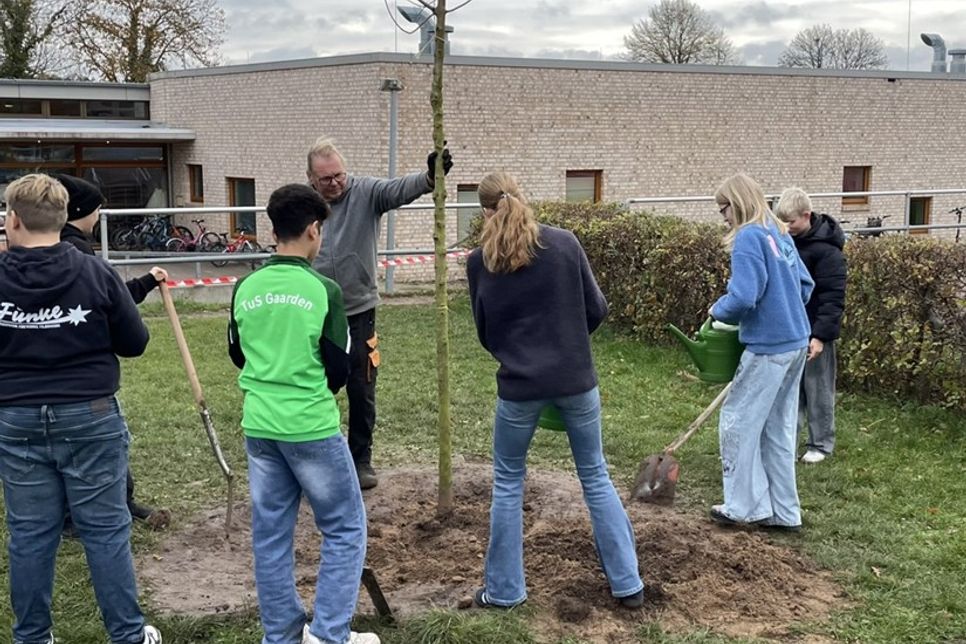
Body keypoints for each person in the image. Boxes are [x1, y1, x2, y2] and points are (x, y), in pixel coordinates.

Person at [465, 171, 645, 610]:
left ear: (485, 211)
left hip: (519, 388)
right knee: (596, 476)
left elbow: (485, 332)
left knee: (508, 482)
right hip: (576, 382)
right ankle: (628, 585)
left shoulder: (479, 261)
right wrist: (567, 344)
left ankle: (504, 592)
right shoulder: (565, 243)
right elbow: (596, 309)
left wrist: (520, 353)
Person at [0, 174, 162, 644]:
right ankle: (127, 635)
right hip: (89, 416)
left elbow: (135, 344)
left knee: (30, 535)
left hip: (16, 419)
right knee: (106, 531)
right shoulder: (96, 271)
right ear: (64, 217)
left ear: (13, 219)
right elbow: (134, 341)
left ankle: (32, 637)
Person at [228, 184, 378, 644]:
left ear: (273, 230)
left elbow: (237, 354)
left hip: (260, 426)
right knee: (346, 528)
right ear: (314, 230)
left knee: (271, 535)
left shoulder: (244, 285)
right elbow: (340, 365)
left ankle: (281, 634)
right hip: (310, 426)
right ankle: (329, 634)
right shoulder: (324, 290)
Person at [306, 136, 452, 489]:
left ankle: (361, 460)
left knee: (361, 386)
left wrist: (431, 177)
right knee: (315, 387)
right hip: (314, 313)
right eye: (326, 179)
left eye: (339, 175)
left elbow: (399, 190)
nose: (335, 183)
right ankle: (318, 462)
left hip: (359, 311)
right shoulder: (304, 205)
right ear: (311, 179)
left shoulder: (365, 192)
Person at [55, 173, 167, 524]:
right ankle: (109, 507)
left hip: (40, 381)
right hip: (84, 376)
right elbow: (114, 308)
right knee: (101, 443)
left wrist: (147, 281)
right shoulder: (78, 252)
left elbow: (110, 295)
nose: (99, 215)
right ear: (81, 211)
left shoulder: (48, 248)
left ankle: (79, 512)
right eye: (97, 209)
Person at [708, 173, 814, 532]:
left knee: (737, 422)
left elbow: (743, 296)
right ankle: (785, 513)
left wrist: (716, 311)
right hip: (797, 341)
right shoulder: (778, 233)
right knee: (778, 429)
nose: (722, 216)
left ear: (736, 203)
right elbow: (805, 284)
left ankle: (742, 506)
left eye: (723, 208)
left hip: (769, 348)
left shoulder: (749, 238)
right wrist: (784, 310)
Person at [775, 188, 847, 465]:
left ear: (806, 216)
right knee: (790, 389)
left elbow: (833, 297)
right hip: (791, 329)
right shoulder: (785, 241)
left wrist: (819, 336)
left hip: (816, 330)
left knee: (817, 388)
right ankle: (787, 441)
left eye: (791, 222)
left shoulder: (828, 252)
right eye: (783, 222)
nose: (787, 227)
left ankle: (820, 443)